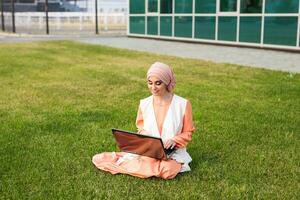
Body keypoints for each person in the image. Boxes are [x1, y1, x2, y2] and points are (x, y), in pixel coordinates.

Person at [92, 62, 195, 179]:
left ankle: (146, 166)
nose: (153, 88)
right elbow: (141, 128)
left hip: (172, 151)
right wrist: (144, 136)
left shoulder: (183, 104)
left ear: (167, 82)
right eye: (150, 83)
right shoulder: (144, 103)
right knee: (101, 158)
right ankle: (151, 165)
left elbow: (188, 132)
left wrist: (174, 140)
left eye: (158, 83)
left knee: (168, 171)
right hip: (150, 149)